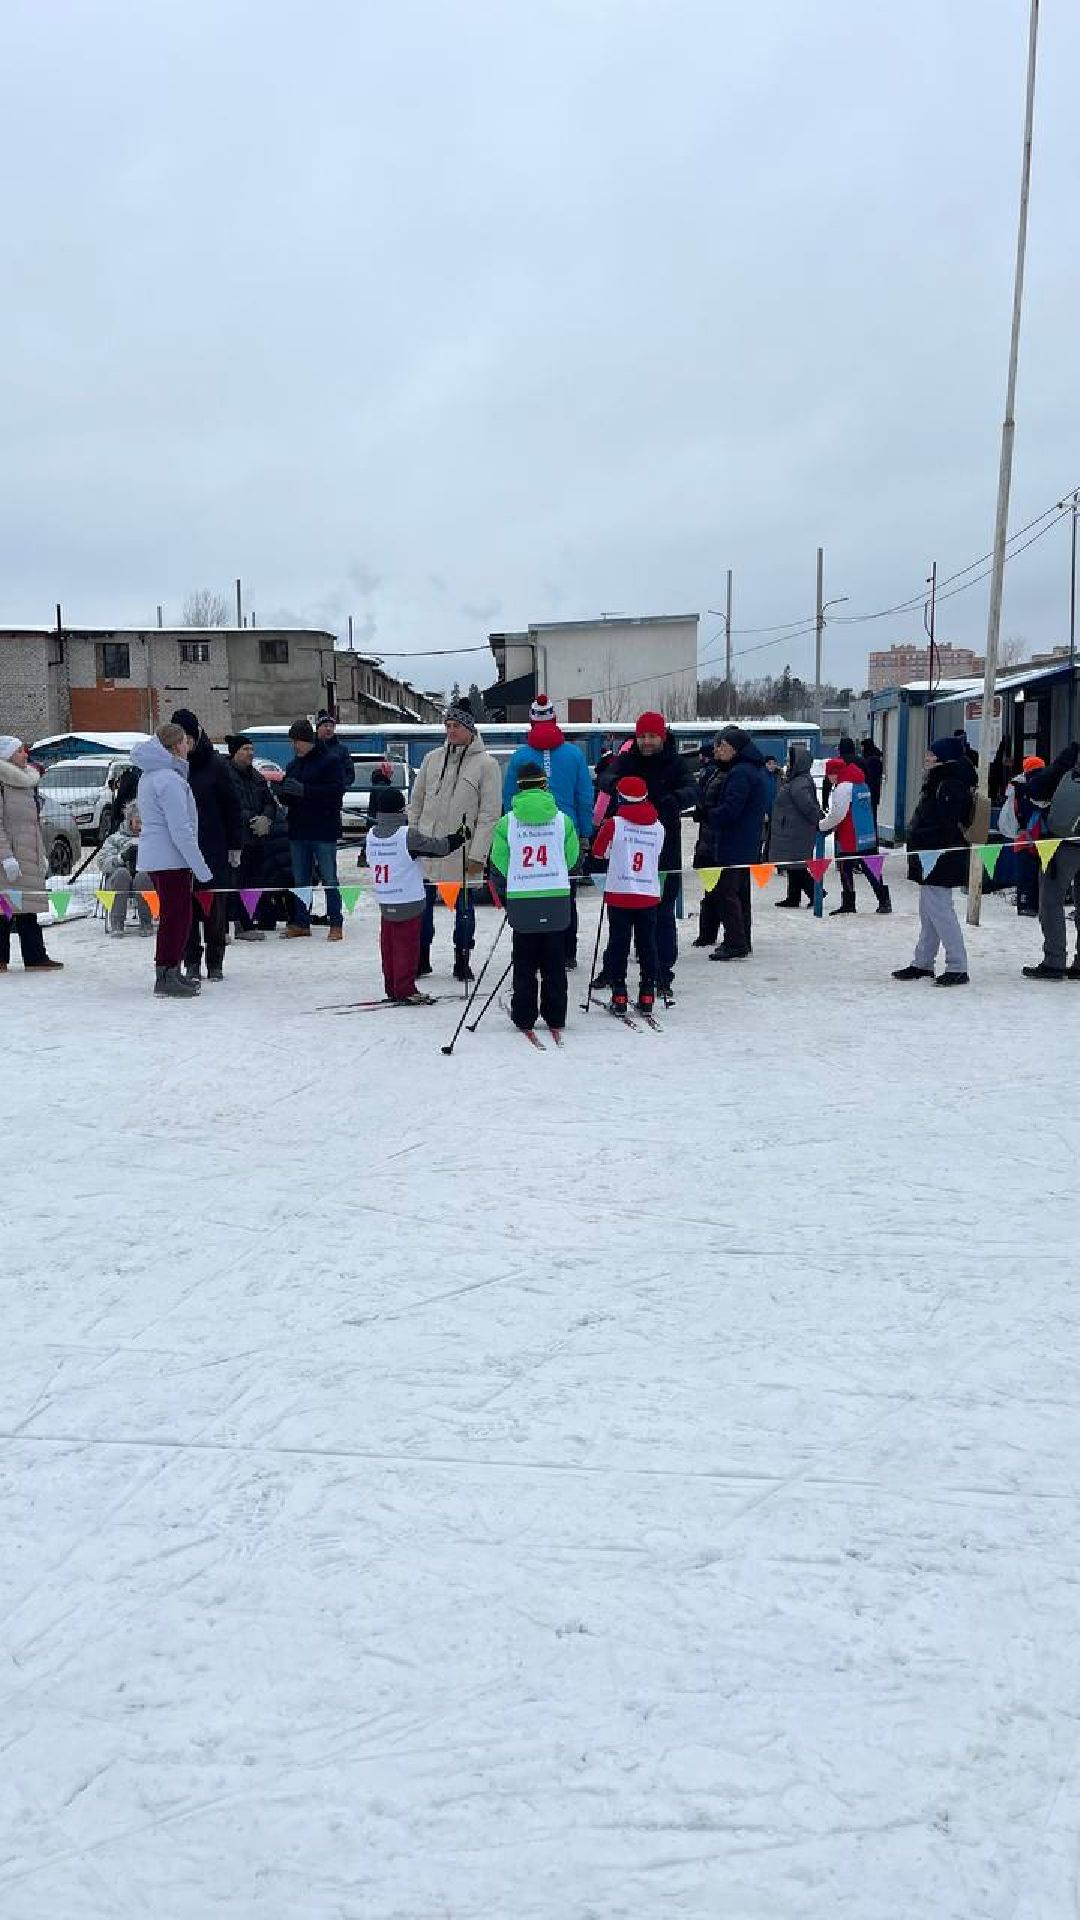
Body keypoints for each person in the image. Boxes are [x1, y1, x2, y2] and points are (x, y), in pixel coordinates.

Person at [595, 712, 696, 1003]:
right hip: (627, 849)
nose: (646, 741)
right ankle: (612, 970)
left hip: (663, 846)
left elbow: (693, 790)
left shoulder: (675, 762)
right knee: (621, 915)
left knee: (662, 913)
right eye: (642, 737)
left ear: (661, 737)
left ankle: (662, 974)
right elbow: (605, 777)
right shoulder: (627, 759)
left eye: (651, 736)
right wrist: (618, 785)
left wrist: (674, 800)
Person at [407, 699, 502, 981]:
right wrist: (413, 836)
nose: (451, 731)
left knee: (464, 911)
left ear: (470, 729)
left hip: (462, 852)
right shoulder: (431, 759)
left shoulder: (487, 765)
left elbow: (489, 814)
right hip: (427, 848)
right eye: (447, 725)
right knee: (421, 908)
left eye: (456, 725)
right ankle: (421, 958)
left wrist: (479, 854)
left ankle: (462, 959)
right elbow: (416, 802)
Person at [502, 696, 594, 968]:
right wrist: (585, 833)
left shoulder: (520, 756)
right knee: (565, 894)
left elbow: (508, 798)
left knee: (530, 892)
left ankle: (531, 949)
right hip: (566, 833)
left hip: (525, 836)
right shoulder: (574, 754)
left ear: (531, 721)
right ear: (555, 719)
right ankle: (566, 952)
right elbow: (584, 797)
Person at [489, 761, 579, 1035]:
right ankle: (556, 1014)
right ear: (544, 785)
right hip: (556, 896)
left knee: (524, 962)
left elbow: (499, 861)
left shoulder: (507, 822)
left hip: (522, 897)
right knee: (555, 961)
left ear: (519, 787)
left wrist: (517, 878)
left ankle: (524, 1015)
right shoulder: (563, 820)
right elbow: (572, 858)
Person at [130, 722, 213, 998]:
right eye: (185, 741)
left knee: (176, 916)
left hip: (162, 856)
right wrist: (201, 867)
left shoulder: (152, 776)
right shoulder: (169, 780)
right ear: (176, 746)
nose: (188, 746)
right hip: (171, 858)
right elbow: (181, 829)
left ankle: (171, 970)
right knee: (176, 917)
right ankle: (166, 973)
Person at [366, 787, 467, 1004]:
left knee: (389, 947)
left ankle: (392, 987)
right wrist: (458, 838)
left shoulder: (371, 834)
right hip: (408, 899)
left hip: (385, 897)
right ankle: (406, 989)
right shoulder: (406, 835)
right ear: (400, 810)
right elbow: (438, 848)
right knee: (407, 947)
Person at [892, 737, 977, 987]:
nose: (927, 758)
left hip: (941, 856)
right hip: (931, 855)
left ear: (943, 759)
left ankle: (957, 966)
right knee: (929, 913)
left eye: (931, 754)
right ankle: (923, 962)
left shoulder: (950, 785)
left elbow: (946, 826)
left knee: (940, 912)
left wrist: (921, 837)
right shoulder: (939, 782)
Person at [171, 709, 243, 982]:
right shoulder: (172, 768)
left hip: (212, 847)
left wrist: (235, 845)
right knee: (186, 910)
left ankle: (215, 961)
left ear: (196, 736)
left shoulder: (216, 765)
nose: (184, 745)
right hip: (180, 851)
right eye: (179, 740)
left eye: (188, 739)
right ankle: (191, 961)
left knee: (214, 909)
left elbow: (232, 807)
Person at [591, 774, 665, 1015]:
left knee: (618, 944)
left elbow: (598, 852)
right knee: (647, 944)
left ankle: (619, 993)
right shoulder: (658, 827)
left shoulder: (614, 824)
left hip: (620, 893)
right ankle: (647, 992)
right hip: (648, 893)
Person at [702, 725, 772, 961]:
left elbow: (731, 810)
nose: (718, 750)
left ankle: (735, 942)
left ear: (736, 748)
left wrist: (708, 814)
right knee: (740, 894)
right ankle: (743, 939)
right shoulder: (751, 769)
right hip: (746, 841)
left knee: (726, 893)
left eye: (723, 746)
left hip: (734, 842)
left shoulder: (740, 772)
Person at [277, 718, 349, 941]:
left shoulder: (330, 761)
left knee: (329, 879)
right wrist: (283, 793)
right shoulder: (293, 765)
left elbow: (336, 793)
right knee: (300, 880)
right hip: (298, 830)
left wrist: (305, 791)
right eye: (292, 742)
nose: (294, 746)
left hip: (323, 830)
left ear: (308, 741)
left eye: (297, 742)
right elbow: (289, 795)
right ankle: (301, 921)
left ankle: (335, 922)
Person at [0, 734, 63, 973]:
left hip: (28, 855)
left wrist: (41, 854)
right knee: (4, 907)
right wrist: (6, 857)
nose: (25, 754)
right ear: (6, 756)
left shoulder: (26, 783)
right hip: (8, 858)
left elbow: (32, 824)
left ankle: (35, 956)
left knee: (28, 906)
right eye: (19, 751)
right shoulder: (2, 784)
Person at [1021, 742, 1080, 981]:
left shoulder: (1072, 756)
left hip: (1064, 845)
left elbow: (1036, 789)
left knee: (1051, 901)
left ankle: (1054, 962)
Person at [817, 753, 892, 915]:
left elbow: (837, 815)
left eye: (828, 775)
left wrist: (822, 826)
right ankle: (884, 900)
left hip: (849, 835)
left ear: (834, 773)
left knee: (845, 868)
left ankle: (849, 903)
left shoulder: (843, 788)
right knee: (872, 868)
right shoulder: (861, 783)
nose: (828, 778)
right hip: (867, 834)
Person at [225, 735, 277, 941]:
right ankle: (230, 924)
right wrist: (251, 819)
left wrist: (266, 817)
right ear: (235, 752)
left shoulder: (257, 776)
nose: (250, 753)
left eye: (251, 749)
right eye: (245, 749)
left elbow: (270, 802)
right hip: (237, 839)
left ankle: (247, 922)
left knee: (253, 882)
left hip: (257, 839)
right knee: (234, 882)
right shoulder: (226, 775)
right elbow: (230, 806)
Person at [770, 744, 822, 907]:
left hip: (797, 831)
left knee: (797, 866)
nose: (786, 763)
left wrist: (820, 821)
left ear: (797, 763)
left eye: (789, 761)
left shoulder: (800, 783)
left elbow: (808, 806)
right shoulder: (795, 780)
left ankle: (816, 893)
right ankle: (793, 897)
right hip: (791, 829)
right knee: (793, 865)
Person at [691, 737, 729, 946]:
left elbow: (721, 807)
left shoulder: (720, 774)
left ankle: (716, 934)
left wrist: (705, 812)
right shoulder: (715, 772)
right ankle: (708, 933)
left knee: (719, 892)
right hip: (708, 838)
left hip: (716, 841)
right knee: (711, 890)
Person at [98, 801, 154, 935]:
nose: (141, 826)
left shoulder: (153, 839)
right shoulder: (115, 839)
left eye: (144, 822)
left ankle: (146, 921)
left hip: (146, 879)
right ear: (129, 821)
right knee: (121, 873)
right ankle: (117, 922)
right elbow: (102, 862)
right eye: (138, 822)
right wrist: (121, 858)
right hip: (120, 880)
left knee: (143, 876)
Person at [315, 711, 357, 801]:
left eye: (331, 726)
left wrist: (340, 787)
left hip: (334, 798)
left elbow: (350, 774)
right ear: (318, 728)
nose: (329, 729)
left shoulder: (342, 750)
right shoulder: (310, 748)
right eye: (325, 726)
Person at [859, 737, 884, 820]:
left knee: (869, 817)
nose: (862, 749)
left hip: (870, 792)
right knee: (872, 816)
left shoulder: (871, 760)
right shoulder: (875, 758)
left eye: (863, 747)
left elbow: (870, 778)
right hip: (873, 792)